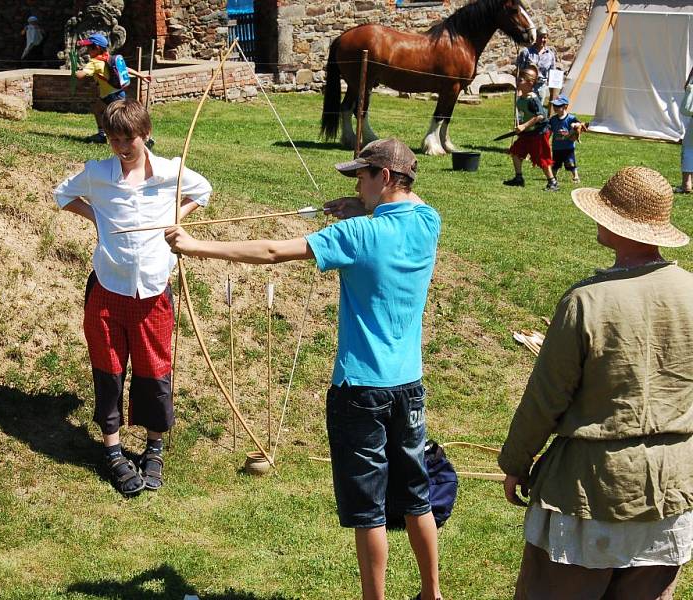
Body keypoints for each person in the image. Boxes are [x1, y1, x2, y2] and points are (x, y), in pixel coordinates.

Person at [165, 138, 443, 600]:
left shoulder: (357, 237)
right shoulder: (428, 222)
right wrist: (359, 205)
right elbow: (406, 209)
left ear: (387, 178)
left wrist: (197, 247)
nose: (358, 182)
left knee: (369, 510)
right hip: (408, 386)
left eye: (363, 175)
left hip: (360, 390)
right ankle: (432, 594)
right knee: (416, 495)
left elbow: (274, 251)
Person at [498, 166, 693, 599]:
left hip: (590, 491)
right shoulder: (690, 291)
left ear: (616, 223)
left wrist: (516, 462)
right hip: (670, 488)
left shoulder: (587, 301)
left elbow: (545, 399)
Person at [53, 98, 212, 495]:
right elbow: (60, 194)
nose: (122, 148)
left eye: (129, 139)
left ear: (146, 135)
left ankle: (153, 447)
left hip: (153, 290)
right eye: (114, 139)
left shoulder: (170, 172)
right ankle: (112, 450)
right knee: (108, 371)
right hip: (107, 289)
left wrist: (177, 217)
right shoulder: (98, 174)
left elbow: (204, 190)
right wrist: (98, 219)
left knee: (154, 371)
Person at [75, 32, 152, 145]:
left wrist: (75, 72)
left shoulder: (94, 62)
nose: (87, 50)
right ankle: (102, 135)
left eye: (88, 48)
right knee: (98, 109)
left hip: (111, 95)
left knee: (124, 118)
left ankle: (145, 139)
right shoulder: (109, 58)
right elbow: (125, 68)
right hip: (116, 93)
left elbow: (80, 75)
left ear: (96, 48)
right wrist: (141, 75)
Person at [504, 64, 558, 191]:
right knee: (516, 152)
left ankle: (552, 182)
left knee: (542, 158)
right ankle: (518, 178)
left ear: (529, 83)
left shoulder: (533, 99)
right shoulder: (521, 98)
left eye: (520, 80)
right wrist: (520, 125)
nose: (517, 81)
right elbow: (524, 115)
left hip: (539, 133)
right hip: (527, 133)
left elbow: (540, 116)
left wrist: (524, 125)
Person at [516, 26, 556, 105]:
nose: (542, 40)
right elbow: (520, 71)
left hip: (541, 87)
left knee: (538, 111)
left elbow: (553, 73)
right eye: (540, 37)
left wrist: (553, 93)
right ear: (536, 37)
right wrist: (519, 88)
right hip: (527, 86)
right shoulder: (526, 52)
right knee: (525, 109)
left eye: (544, 38)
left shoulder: (550, 55)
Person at [548, 94, 583, 183]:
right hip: (557, 146)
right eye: (554, 105)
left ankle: (575, 176)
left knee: (570, 163)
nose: (555, 107)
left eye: (558, 106)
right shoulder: (553, 119)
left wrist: (575, 127)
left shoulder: (571, 118)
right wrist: (546, 140)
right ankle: (553, 176)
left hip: (568, 147)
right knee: (555, 163)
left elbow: (579, 126)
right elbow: (549, 131)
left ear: (565, 106)